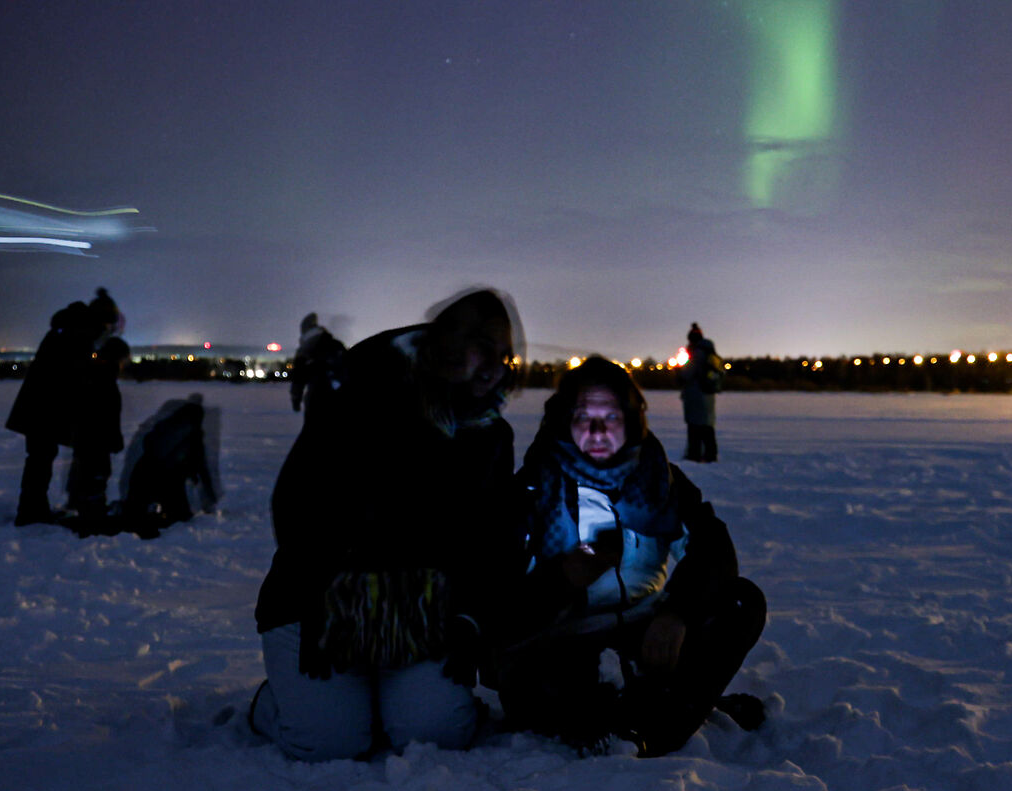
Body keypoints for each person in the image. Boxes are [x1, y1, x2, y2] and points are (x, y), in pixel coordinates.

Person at [250, 287, 522, 761]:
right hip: (318, 607)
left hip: (420, 615)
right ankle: (274, 703)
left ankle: (380, 697)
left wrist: (469, 620)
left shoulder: (489, 436)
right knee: (327, 742)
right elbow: (296, 506)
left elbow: (489, 539)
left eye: (503, 353)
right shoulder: (360, 399)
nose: (493, 365)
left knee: (434, 735)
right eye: (481, 347)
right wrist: (315, 599)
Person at [496, 356, 767, 756]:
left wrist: (677, 612)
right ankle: (666, 715)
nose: (599, 430)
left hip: (645, 634)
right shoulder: (535, 491)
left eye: (614, 416)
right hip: (565, 645)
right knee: (542, 681)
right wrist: (563, 579)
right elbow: (498, 603)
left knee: (741, 601)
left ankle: (648, 723)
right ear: (563, 419)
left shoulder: (660, 481)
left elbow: (713, 550)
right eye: (584, 416)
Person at [6, 288, 120, 525]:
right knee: (40, 459)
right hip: (45, 408)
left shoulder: (69, 328)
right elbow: (75, 379)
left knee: (39, 458)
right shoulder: (80, 334)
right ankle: (31, 513)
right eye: (110, 325)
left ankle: (33, 510)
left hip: (41, 406)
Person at [121, 394, 221, 535]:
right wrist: (209, 497)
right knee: (179, 516)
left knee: (138, 511)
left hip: (144, 474)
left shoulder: (164, 426)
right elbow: (201, 468)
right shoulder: (191, 436)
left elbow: (147, 444)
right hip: (164, 480)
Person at [66, 336, 130, 530]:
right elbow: (107, 415)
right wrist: (114, 438)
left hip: (86, 439)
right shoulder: (104, 379)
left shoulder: (92, 374)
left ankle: (86, 508)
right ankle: (92, 514)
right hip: (95, 441)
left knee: (87, 474)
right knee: (95, 475)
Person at [679, 324, 723, 463]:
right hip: (707, 395)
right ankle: (710, 454)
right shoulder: (710, 352)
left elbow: (687, 373)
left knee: (695, 426)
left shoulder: (697, 353)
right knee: (707, 425)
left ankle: (695, 454)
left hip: (696, 394)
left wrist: (679, 371)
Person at [289, 311, 345, 414]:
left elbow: (298, 377)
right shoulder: (336, 344)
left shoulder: (304, 350)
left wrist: (296, 398)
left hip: (316, 397)